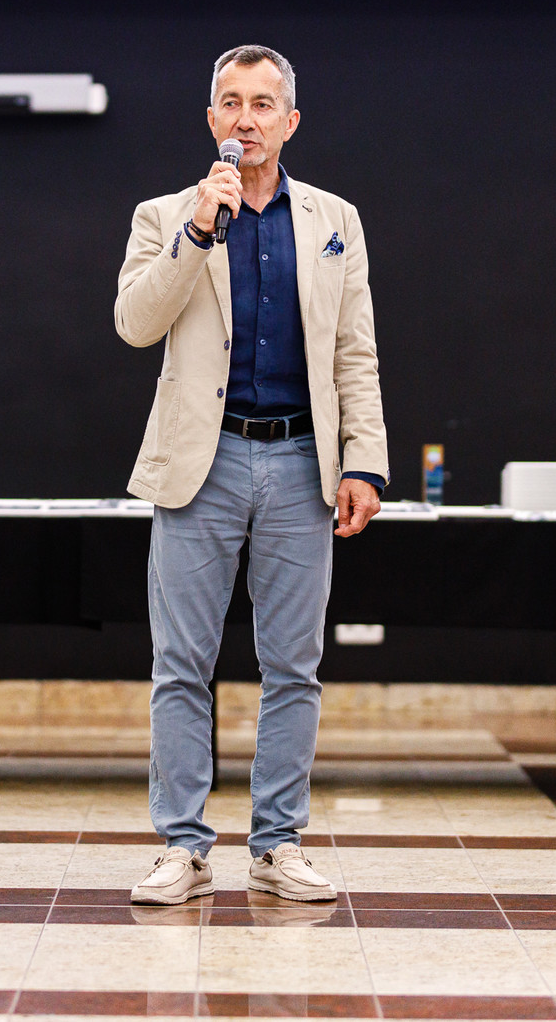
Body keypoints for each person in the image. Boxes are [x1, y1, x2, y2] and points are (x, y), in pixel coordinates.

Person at [114, 45, 388, 905]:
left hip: (303, 461)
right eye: (230, 103)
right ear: (211, 121)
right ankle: (182, 847)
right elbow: (134, 322)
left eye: (263, 104)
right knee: (181, 665)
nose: (246, 118)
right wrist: (199, 230)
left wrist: (364, 462)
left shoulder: (335, 219)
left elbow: (355, 351)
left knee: (294, 666)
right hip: (204, 462)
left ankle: (277, 844)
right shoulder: (167, 214)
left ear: (289, 121)